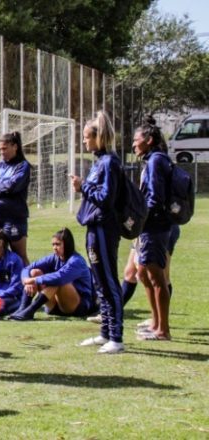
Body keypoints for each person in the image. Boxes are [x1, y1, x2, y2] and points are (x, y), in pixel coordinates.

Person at [70, 111, 125, 354]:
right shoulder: (99, 162)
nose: (84, 141)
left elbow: (106, 198)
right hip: (93, 226)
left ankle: (116, 337)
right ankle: (104, 333)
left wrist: (84, 186)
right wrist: (84, 187)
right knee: (99, 283)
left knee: (109, 281)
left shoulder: (110, 163)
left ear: (98, 137)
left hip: (104, 227)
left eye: (86, 137)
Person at [132, 122, 174, 341]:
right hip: (149, 226)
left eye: (136, 140)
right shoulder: (153, 160)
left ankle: (163, 330)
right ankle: (155, 322)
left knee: (156, 276)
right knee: (142, 273)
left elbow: (155, 198)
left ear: (149, 140)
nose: (133, 145)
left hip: (154, 226)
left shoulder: (156, 161)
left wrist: (139, 216)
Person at [8, 228, 96, 321]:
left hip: (78, 307)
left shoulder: (76, 261)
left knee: (57, 281)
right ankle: (23, 308)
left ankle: (30, 311)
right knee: (34, 272)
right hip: (56, 306)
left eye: (58, 244)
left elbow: (60, 277)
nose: (54, 247)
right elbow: (27, 268)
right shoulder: (54, 257)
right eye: (53, 244)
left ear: (67, 244)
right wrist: (27, 280)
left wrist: (34, 280)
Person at [0, 131, 31, 264]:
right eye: (0, 149)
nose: (2, 152)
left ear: (15, 147)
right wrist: (2, 187)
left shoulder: (22, 166)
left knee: (19, 256)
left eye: (4, 148)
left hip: (14, 218)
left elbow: (12, 186)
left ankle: (28, 284)